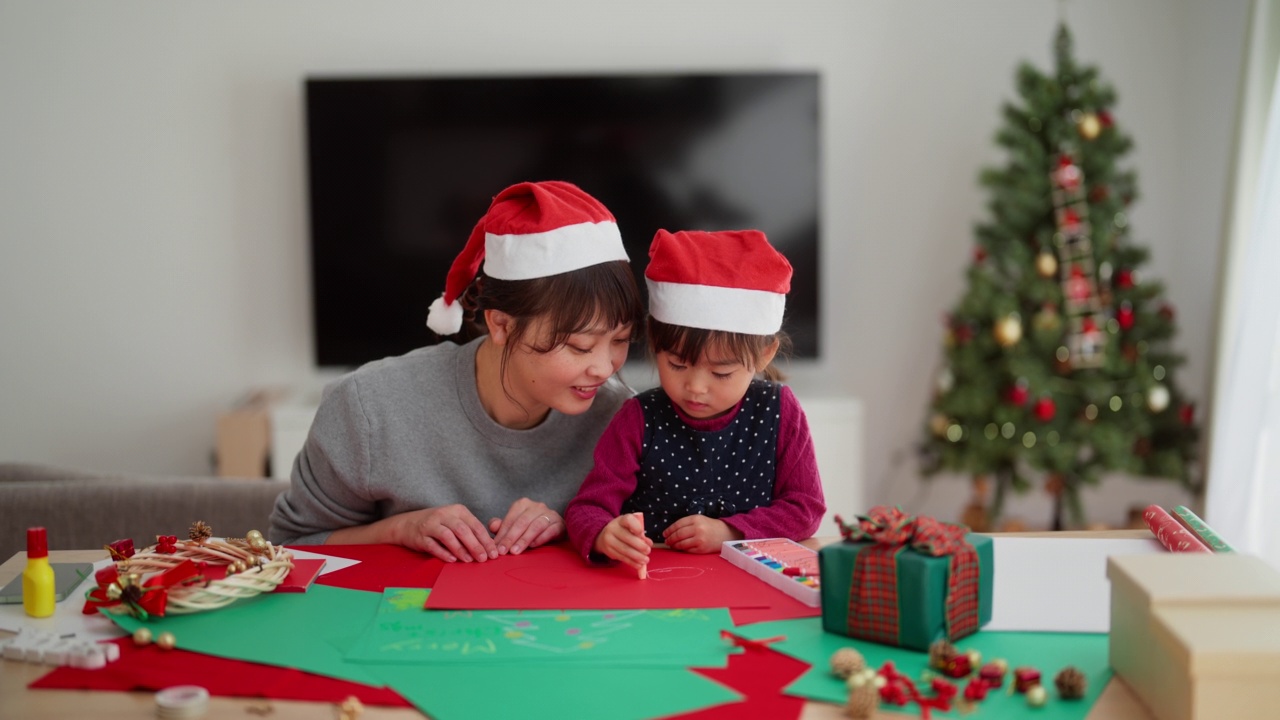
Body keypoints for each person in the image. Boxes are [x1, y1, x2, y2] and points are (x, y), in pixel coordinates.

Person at [269, 181, 645, 563]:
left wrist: (577, 524)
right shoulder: (370, 408)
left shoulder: (626, 419)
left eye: (621, 340)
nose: (604, 368)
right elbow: (291, 547)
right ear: (501, 324)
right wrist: (399, 529)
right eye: (580, 346)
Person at [564, 229, 825, 573]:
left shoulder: (779, 412)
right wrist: (603, 534)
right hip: (655, 586)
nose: (696, 388)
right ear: (656, 342)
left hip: (747, 580)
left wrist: (729, 532)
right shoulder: (638, 418)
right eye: (677, 365)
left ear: (765, 355)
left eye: (721, 373)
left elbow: (805, 508)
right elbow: (587, 507)